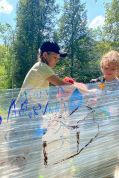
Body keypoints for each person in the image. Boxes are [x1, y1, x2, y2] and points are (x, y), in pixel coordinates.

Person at [8, 41, 96, 177]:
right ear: (45, 55)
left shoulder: (40, 68)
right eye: (55, 58)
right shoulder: (41, 67)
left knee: (28, 153)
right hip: (27, 113)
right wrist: (89, 92)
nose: (56, 61)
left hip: (30, 113)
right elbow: (63, 85)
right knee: (26, 153)